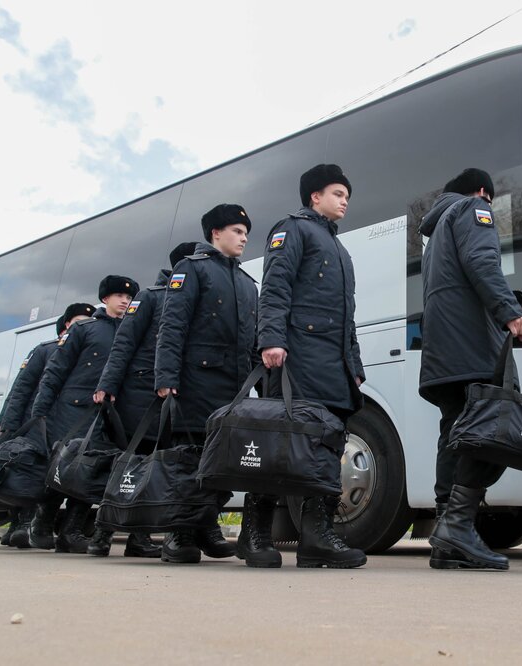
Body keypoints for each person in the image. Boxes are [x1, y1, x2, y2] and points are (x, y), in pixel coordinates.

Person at [418, 168, 522, 571]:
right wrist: (510, 311)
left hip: (444, 354)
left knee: (455, 435)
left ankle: (449, 535)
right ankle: (458, 527)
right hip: (471, 349)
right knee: (490, 434)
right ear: (483, 191)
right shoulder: (473, 210)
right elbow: (483, 262)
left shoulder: (436, 233)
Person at [257, 163, 367, 569]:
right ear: (314, 196)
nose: (344, 202)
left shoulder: (341, 249)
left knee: (328, 444)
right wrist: (271, 338)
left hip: (333, 365)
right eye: (338, 193)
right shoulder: (292, 229)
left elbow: (347, 316)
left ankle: (317, 538)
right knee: (280, 444)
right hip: (297, 358)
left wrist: (354, 365)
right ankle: (254, 535)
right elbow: (276, 286)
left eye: (347, 197)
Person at [155, 206, 257, 565]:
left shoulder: (247, 283)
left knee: (222, 461)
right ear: (215, 233)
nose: (244, 237)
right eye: (236, 230)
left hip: (234, 389)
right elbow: (172, 328)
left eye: (246, 231)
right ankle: (179, 532)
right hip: (196, 382)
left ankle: (205, 525)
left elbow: (253, 340)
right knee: (189, 459)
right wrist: (166, 377)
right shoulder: (192, 270)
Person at [87, 243, 199, 558]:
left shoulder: (194, 298)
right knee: (128, 464)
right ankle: (100, 535)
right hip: (140, 394)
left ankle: (138, 539)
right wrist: (107, 384)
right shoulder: (150, 297)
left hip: (174, 396)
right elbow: (124, 342)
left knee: (151, 470)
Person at [29, 276, 138, 553]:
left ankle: (72, 530)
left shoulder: (133, 330)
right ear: (105, 299)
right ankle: (42, 524)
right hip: (74, 409)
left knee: (92, 470)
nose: (124, 301)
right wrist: (40, 412)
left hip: (108, 414)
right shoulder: (84, 330)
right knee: (64, 466)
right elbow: (55, 371)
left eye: (128, 297)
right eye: (118, 296)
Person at [0, 303, 95, 548]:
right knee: (29, 471)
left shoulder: (87, 355)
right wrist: (8, 423)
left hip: (65, 420)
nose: (83, 326)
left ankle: (32, 527)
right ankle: (19, 525)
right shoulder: (45, 350)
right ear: (66, 326)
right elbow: (22, 389)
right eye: (78, 321)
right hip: (35, 420)